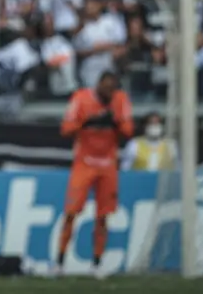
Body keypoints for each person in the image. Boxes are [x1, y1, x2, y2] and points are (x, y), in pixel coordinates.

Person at [55, 71, 133, 278]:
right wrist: (88, 121)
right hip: (84, 162)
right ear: (98, 85)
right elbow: (66, 128)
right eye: (106, 89)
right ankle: (59, 262)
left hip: (108, 164)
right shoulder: (80, 98)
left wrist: (114, 121)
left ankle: (97, 263)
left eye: (112, 90)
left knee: (103, 216)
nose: (109, 94)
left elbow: (128, 129)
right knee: (71, 211)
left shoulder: (121, 100)